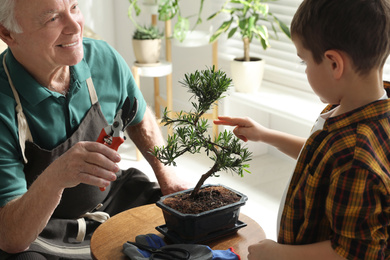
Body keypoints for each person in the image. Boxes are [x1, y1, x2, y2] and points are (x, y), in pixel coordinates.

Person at [0, 0, 189, 259]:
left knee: (190, 226)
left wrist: (166, 174)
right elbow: (12, 236)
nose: (75, 26)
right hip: (40, 232)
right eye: (52, 18)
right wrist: (56, 177)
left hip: (113, 201)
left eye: (74, 7)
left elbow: (139, 116)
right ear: (8, 33)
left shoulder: (104, 58)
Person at [215, 0, 390, 259]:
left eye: (303, 62)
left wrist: (279, 254)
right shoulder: (353, 110)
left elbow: (353, 253)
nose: (305, 69)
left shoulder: (357, 156)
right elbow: (319, 159)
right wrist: (265, 135)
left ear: (334, 64)